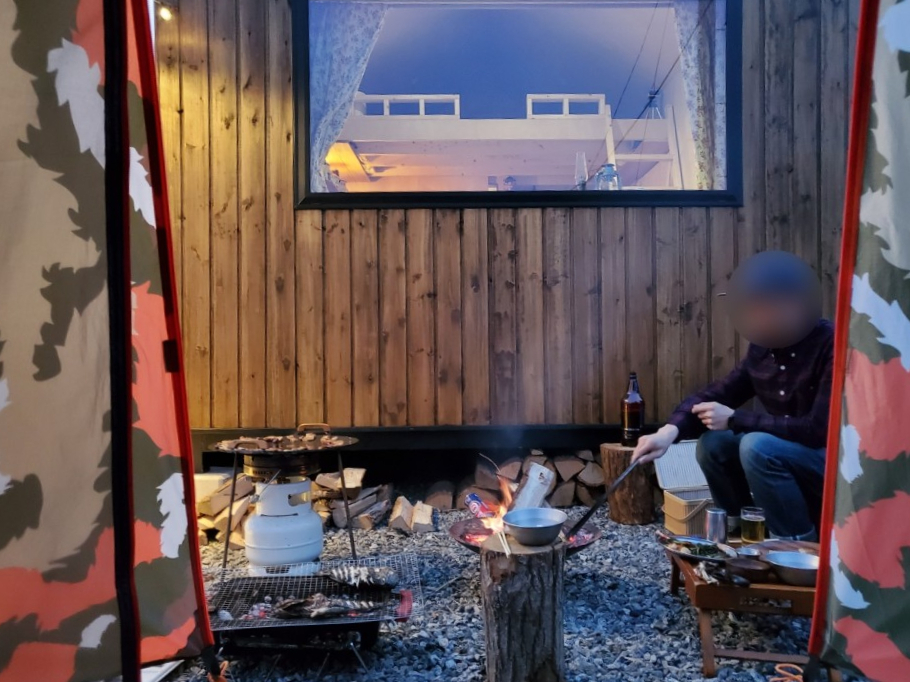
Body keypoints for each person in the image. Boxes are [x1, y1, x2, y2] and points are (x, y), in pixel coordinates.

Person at [631, 251, 833, 541]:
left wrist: (736, 419)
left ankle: (797, 544)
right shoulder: (763, 347)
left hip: (831, 462)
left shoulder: (831, 344)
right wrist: (668, 432)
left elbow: (817, 430)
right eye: (754, 309)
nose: (758, 317)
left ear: (794, 304)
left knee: (756, 447)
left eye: (765, 308)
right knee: (714, 443)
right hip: (784, 453)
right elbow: (719, 392)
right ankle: (740, 534)